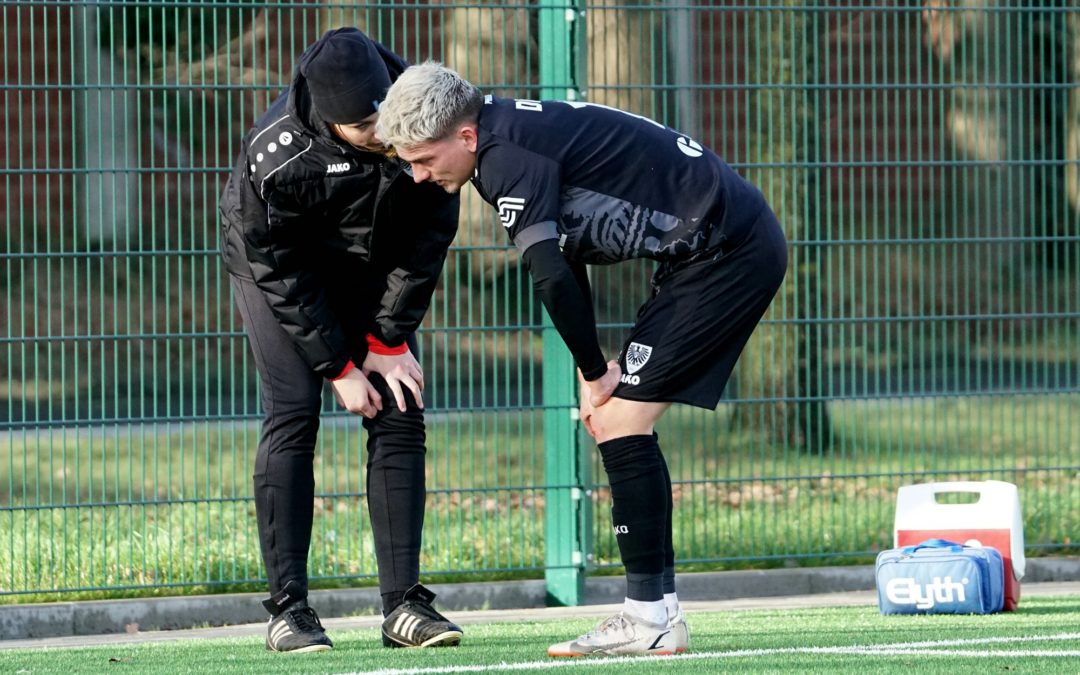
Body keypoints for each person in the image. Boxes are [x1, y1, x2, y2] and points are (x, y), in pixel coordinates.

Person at [375, 62, 788, 658]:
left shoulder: (503, 155)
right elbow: (563, 260)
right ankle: (655, 614)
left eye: (423, 158)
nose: (416, 175)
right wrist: (591, 361)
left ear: (464, 137)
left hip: (727, 251)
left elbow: (549, 275)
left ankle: (650, 619)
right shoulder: (504, 135)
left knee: (619, 419)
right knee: (611, 419)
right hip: (709, 251)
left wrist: (597, 370)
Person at [218, 30, 463, 653]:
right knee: (295, 416)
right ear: (329, 119)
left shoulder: (416, 108)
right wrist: (338, 367)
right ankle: (289, 610)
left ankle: (405, 606)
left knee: (400, 406)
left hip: (373, 265)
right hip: (283, 274)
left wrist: (387, 339)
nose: (383, 133)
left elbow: (430, 230)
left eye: (385, 116)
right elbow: (278, 267)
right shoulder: (275, 156)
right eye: (363, 127)